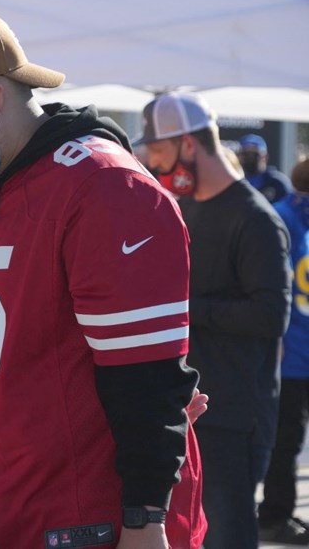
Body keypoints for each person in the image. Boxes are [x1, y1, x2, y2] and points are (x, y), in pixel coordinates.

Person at [0, 12, 206, 548]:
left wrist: (145, 519)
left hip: (89, 519)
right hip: (2, 509)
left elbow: (147, 381)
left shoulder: (105, 188)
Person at [140, 91, 291, 549]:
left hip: (234, 415)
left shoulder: (256, 219)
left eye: (161, 155)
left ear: (189, 145)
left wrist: (186, 306)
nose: (159, 169)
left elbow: (270, 315)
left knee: (227, 534)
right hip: (185, 409)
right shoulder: (181, 206)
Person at [259, 159, 309, 545]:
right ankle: (275, 515)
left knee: (288, 440)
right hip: (290, 357)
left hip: (297, 354)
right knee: (286, 441)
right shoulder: (280, 219)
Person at [237, 133, 292, 203]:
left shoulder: (278, 183)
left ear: (265, 157)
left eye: (255, 155)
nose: (250, 159)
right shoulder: (235, 182)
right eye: (246, 155)